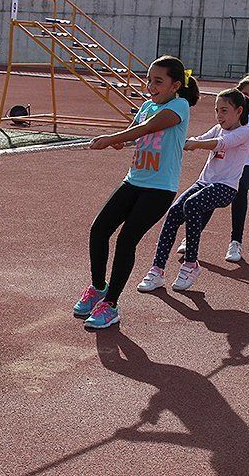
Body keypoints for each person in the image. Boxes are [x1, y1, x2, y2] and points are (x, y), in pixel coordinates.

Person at [72, 56, 199, 329]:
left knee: (127, 240)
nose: (150, 85)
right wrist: (122, 143)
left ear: (175, 85)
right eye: (149, 79)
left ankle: (111, 305)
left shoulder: (180, 105)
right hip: (134, 182)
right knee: (99, 229)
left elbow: (148, 128)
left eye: (158, 81)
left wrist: (111, 140)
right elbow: (137, 135)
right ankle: (98, 287)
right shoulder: (146, 106)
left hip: (159, 189)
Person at [137, 88, 249, 293]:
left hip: (225, 187)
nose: (219, 116)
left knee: (191, 205)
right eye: (217, 110)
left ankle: (191, 264)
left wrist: (196, 144)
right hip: (204, 183)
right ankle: (157, 270)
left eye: (224, 111)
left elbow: (221, 144)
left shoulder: (244, 132)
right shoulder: (218, 127)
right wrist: (175, 139)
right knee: (173, 212)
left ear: (239, 111)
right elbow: (200, 137)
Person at [178, 74, 249, 262]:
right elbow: (208, 137)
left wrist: (244, 139)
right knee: (210, 191)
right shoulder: (229, 116)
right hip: (226, 163)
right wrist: (190, 142)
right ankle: (191, 238)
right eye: (244, 93)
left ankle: (235, 242)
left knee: (240, 187)